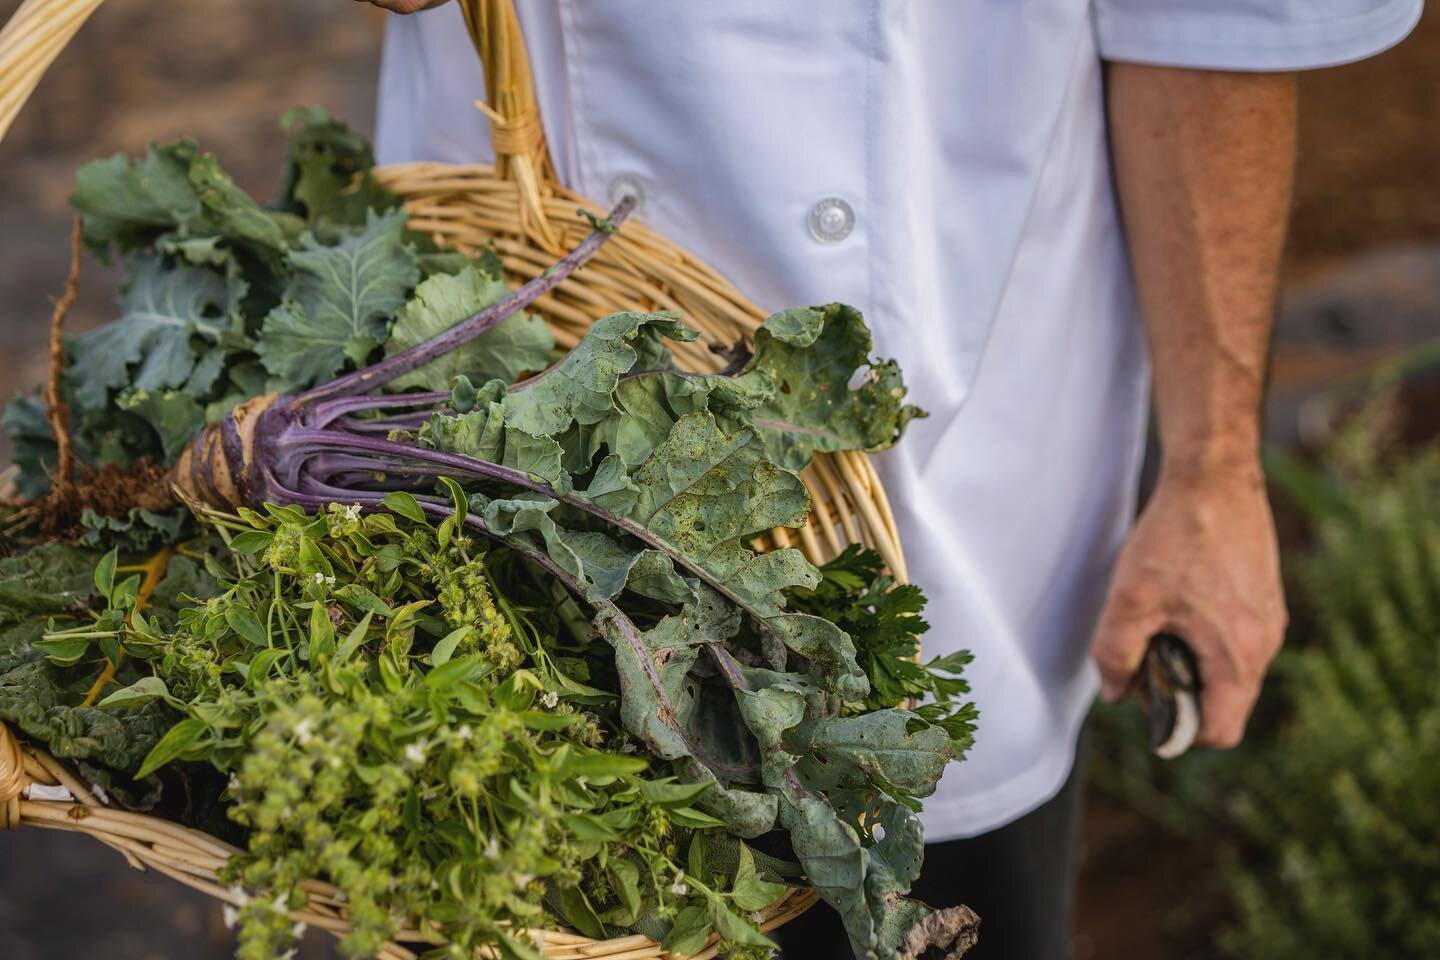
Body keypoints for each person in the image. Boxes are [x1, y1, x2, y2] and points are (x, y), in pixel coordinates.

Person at [359, 1, 1422, 956]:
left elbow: (1213, 21)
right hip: (506, 313)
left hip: (961, 417)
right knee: (497, 851)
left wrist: (1213, 472)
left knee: (925, 825)